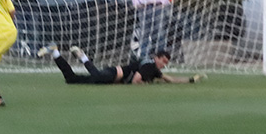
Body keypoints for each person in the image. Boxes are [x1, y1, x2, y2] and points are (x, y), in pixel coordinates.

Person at [37, 44, 204, 85]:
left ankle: (55, 53)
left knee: (71, 79)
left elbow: (170, 79)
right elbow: (136, 80)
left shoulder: (152, 68)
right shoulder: (150, 66)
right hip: (112, 75)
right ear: (157, 58)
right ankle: (82, 56)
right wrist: (145, 85)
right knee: (97, 76)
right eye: (164, 62)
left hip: (112, 77)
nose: (164, 65)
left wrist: (190, 80)